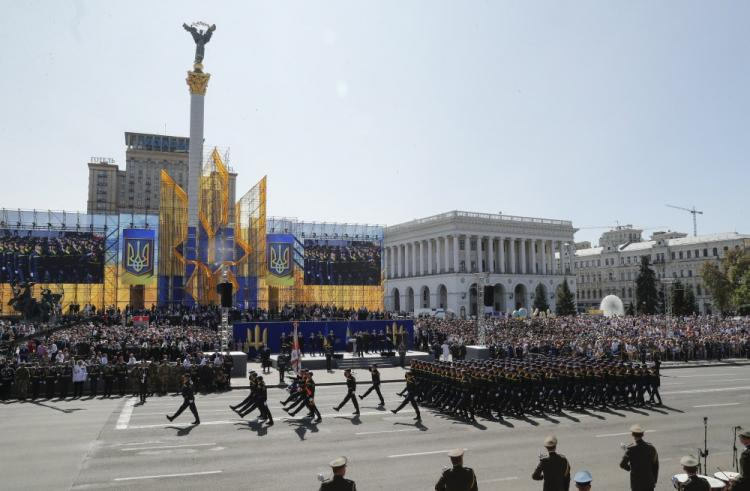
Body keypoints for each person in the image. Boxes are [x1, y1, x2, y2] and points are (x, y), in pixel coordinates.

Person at [619, 424, 659, 491]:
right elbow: (656, 466)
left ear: (632, 435)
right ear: (643, 435)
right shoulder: (651, 448)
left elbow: (622, 464)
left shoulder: (630, 449)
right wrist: (654, 480)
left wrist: (630, 468)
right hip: (649, 482)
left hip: (637, 484)